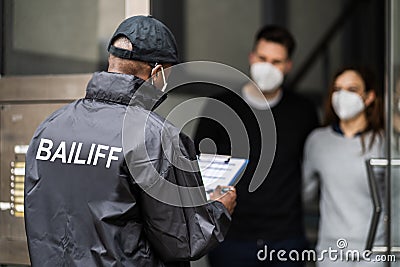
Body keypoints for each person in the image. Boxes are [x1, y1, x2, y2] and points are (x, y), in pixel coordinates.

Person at [24, 15, 236, 267]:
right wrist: (219, 209)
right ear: (157, 73)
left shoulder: (50, 127)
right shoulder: (156, 138)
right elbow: (184, 240)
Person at [194, 25, 319, 266]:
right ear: (252, 57)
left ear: (288, 66)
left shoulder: (303, 112)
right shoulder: (220, 107)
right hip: (231, 237)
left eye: (276, 61)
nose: (268, 67)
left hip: (286, 238)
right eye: (262, 58)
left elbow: (314, 165)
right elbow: (200, 168)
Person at [302, 66, 385, 266]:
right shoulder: (318, 141)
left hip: (375, 251)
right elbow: (306, 193)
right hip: (332, 251)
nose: (342, 95)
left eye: (352, 89)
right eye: (337, 89)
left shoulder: (384, 142)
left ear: (369, 97)